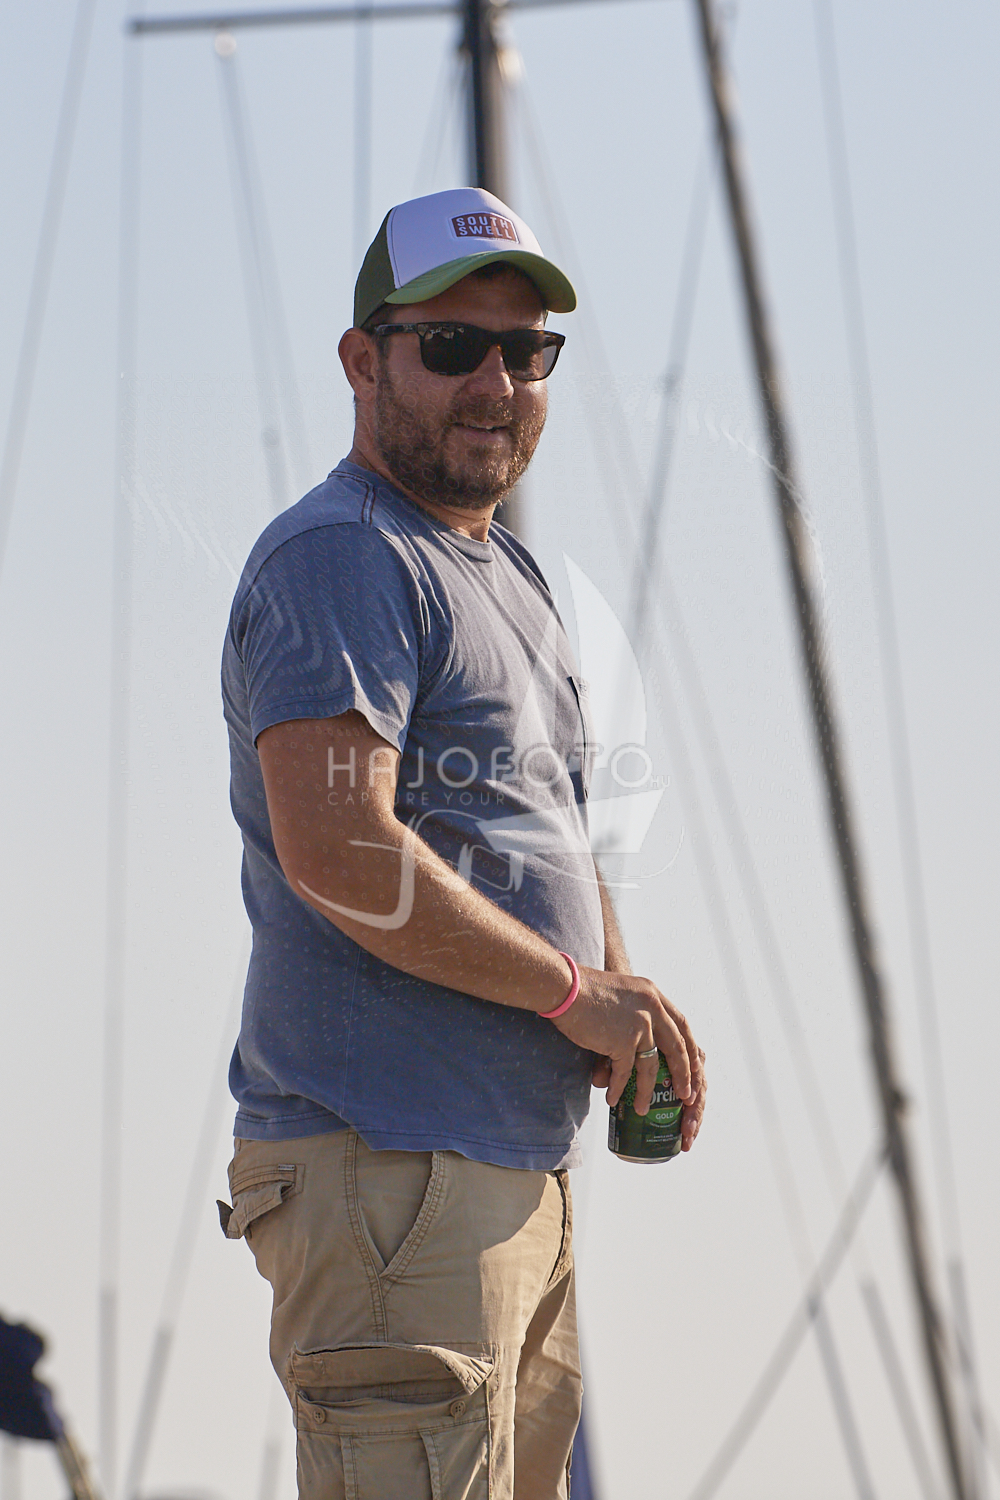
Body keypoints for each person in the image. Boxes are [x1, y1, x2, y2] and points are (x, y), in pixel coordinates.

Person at [219, 186, 706, 1500]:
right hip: (391, 1175)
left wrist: (624, 1002)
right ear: (362, 360)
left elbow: (546, 828)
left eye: (526, 350)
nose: (496, 381)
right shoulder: (339, 557)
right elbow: (340, 851)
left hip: (500, 1176)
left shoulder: (513, 578)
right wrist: (570, 993)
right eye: (452, 346)